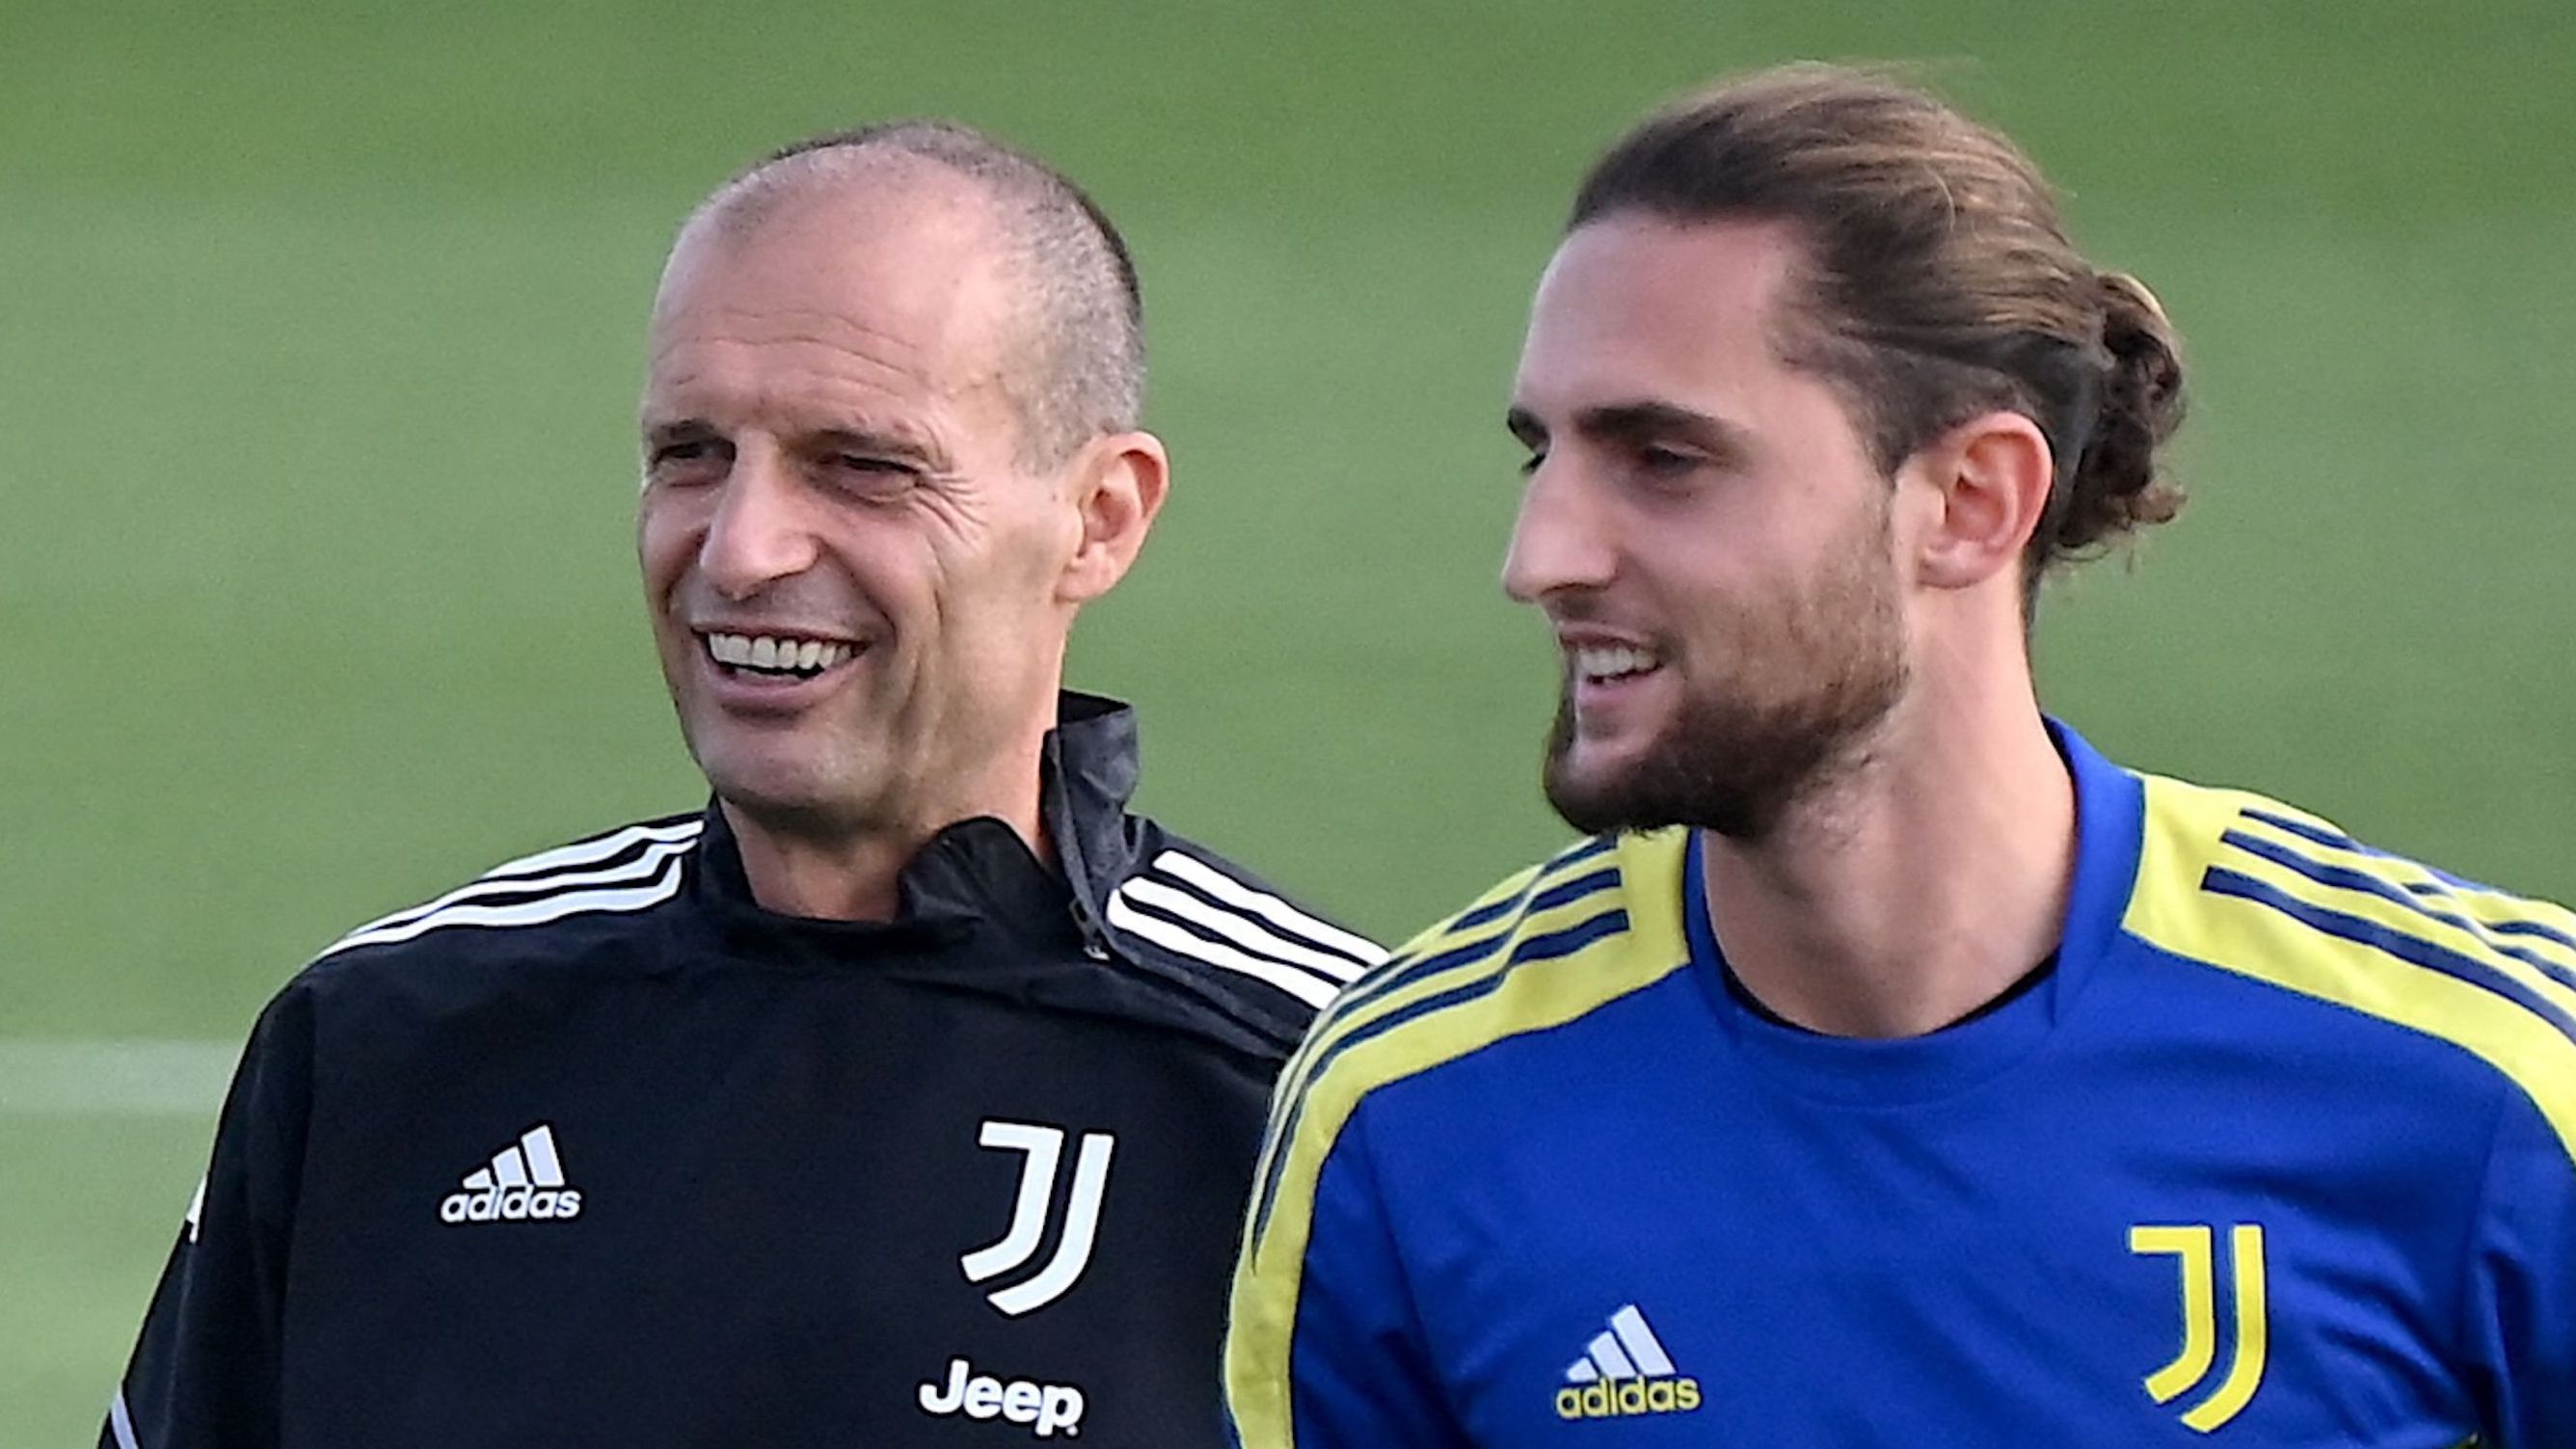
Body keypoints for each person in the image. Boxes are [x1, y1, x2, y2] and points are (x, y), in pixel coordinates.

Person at [1226, 65, 2576, 1447]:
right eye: (1543, 457)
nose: (1542, 558)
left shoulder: (2491, 1080)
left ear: (1970, 502)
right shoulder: (1407, 1117)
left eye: (1665, 459)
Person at [106, 121, 1380, 1448]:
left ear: (1100, 517)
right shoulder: (387, 1047)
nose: (743, 548)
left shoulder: (1332, 1107)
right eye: (691, 453)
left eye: (864, 465)